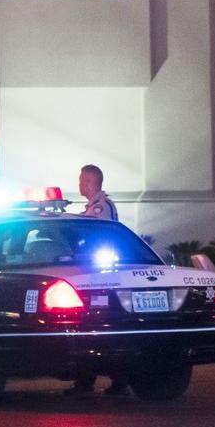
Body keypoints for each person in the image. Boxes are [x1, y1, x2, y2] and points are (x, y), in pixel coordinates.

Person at [67, 164, 128, 397]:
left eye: (82, 180)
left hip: (98, 281)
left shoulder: (99, 208)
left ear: (91, 183)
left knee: (93, 330)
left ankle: (96, 382)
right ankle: (93, 381)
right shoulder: (97, 206)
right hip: (97, 279)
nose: (80, 184)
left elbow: (90, 234)